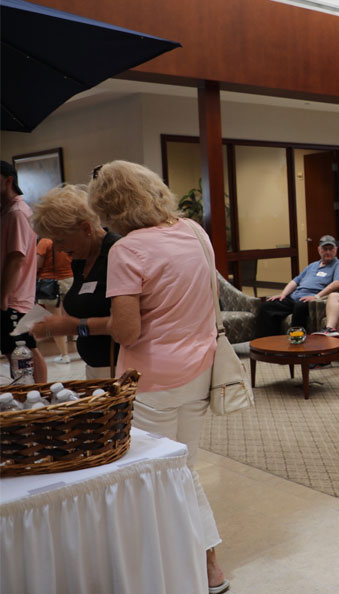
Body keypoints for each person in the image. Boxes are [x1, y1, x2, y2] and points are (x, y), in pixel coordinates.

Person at [87, 160, 229, 593]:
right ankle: (203, 567)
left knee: (159, 479)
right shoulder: (193, 232)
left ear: (111, 210)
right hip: (199, 369)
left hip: (150, 381)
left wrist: (82, 324)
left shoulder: (127, 250)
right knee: (183, 469)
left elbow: (127, 330)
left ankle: (197, 568)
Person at [30, 185, 121, 380]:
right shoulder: (80, 260)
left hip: (121, 369)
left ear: (86, 228)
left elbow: (128, 324)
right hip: (97, 368)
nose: (59, 249)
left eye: (61, 240)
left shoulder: (117, 254)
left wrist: (74, 326)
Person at [1, 160, 48, 383]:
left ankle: (40, 395)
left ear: (8, 180)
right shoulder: (7, 211)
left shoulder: (18, 212)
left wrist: (3, 296)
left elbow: (16, 258)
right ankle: (26, 394)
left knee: (23, 348)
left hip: (14, 297)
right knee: (12, 349)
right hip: (11, 296)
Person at [256, 235, 339, 338]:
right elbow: (295, 281)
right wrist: (283, 294)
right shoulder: (312, 265)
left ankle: (296, 341)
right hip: (294, 297)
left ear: (335, 249)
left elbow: (338, 283)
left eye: (331, 249)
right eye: (324, 249)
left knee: (300, 306)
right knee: (267, 306)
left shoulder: (338, 265)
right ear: (319, 249)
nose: (328, 252)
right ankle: (268, 342)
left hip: (310, 299)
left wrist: (317, 296)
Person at [35, 237, 74, 363]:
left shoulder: (45, 242)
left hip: (49, 284)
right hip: (70, 280)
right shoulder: (65, 239)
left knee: (55, 319)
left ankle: (64, 355)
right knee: (70, 314)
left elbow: (37, 263)